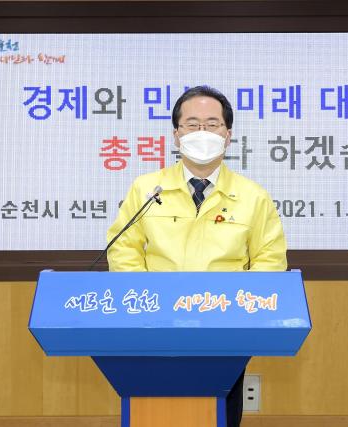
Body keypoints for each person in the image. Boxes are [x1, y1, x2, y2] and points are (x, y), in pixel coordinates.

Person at [106, 85, 287, 427]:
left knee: (222, 415)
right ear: (176, 135)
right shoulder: (147, 189)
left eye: (212, 124)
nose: (202, 132)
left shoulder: (253, 196)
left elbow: (270, 260)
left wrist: (239, 309)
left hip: (226, 329)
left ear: (228, 135)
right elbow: (123, 248)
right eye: (192, 124)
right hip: (155, 326)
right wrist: (147, 301)